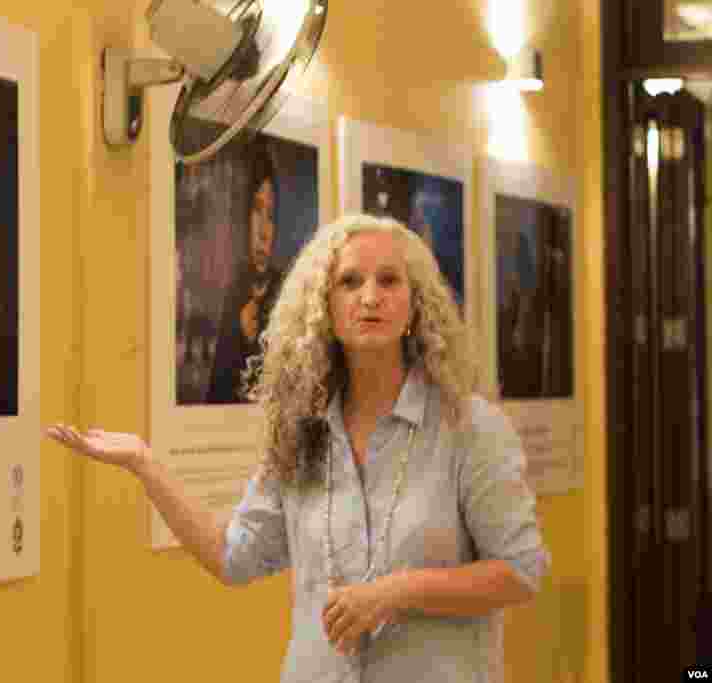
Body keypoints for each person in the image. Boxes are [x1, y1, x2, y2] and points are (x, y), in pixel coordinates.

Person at [47, 213, 550, 682]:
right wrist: (145, 464)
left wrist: (396, 593)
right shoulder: (300, 432)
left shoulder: (469, 427)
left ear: (416, 305)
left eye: (389, 280)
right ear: (324, 308)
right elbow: (233, 557)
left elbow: (520, 571)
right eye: (349, 282)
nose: (370, 297)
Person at [206, 141, 283, 403]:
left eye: (271, 215)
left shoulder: (285, 292)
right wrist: (239, 337)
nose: (264, 231)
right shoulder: (227, 294)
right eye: (256, 210)